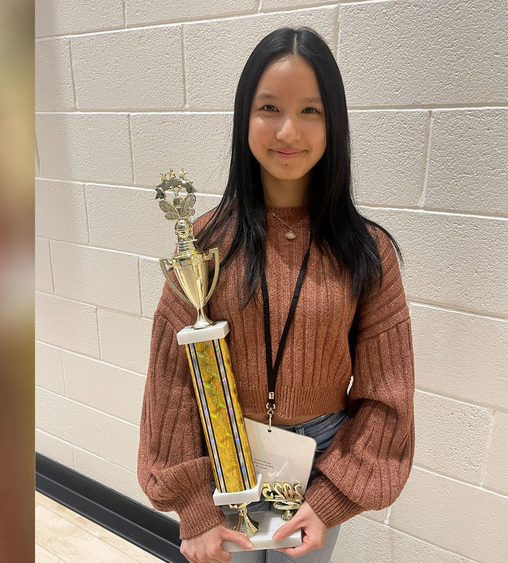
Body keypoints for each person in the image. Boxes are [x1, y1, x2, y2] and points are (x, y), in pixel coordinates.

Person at [138, 27, 415, 563]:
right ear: (245, 116)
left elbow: (389, 394)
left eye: (311, 110)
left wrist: (334, 496)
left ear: (334, 123)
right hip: (223, 457)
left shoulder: (368, 251)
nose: (289, 129)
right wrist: (193, 506)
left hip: (316, 468)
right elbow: (172, 379)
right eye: (270, 107)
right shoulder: (203, 243)